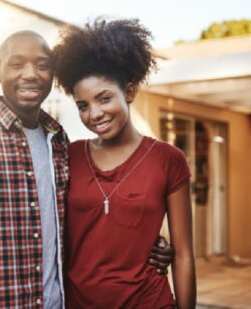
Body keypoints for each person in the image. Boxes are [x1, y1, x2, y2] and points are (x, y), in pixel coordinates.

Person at [0, 30, 173, 309]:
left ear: (53, 76)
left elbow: (86, 221)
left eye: (42, 65)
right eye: (17, 64)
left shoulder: (59, 141)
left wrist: (149, 245)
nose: (31, 74)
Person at [53, 19, 196, 309]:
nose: (94, 113)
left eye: (104, 98)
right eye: (83, 105)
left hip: (149, 301)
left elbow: (182, 254)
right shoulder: (69, 156)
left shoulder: (168, 159)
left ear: (128, 93)